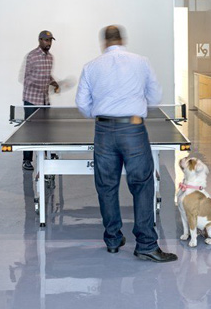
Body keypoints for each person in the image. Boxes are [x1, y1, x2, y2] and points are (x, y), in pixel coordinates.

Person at [76, 25, 177, 263]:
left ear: (104, 43)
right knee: (142, 185)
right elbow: (155, 96)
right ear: (122, 39)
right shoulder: (141, 62)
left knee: (106, 185)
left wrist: (101, 114)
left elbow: (82, 103)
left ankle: (112, 240)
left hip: (103, 130)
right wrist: (134, 106)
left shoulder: (90, 67)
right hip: (133, 129)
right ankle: (146, 245)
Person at [21, 30, 59, 171]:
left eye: (50, 41)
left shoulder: (50, 58)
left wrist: (53, 82)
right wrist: (41, 82)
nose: (49, 43)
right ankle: (27, 160)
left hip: (44, 100)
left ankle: (46, 154)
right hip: (31, 99)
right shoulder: (32, 56)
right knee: (30, 131)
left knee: (45, 130)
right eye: (46, 40)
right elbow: (25, 79)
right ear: (40, 40)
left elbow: (47, 75)